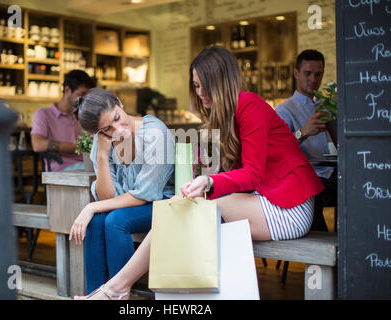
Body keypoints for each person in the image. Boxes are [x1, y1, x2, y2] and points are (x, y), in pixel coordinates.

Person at [73, 46, 324, 300]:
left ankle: (116, 289)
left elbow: (253, 174)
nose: (200, 93)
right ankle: (115, 289)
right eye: (196, 86)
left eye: (203, 85)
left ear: (220, 81)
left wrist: (209, 181)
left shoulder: (250, 105)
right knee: (179, 209)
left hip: (288, 207)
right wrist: (202, 174)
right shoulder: (227, 113)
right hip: (266, 200)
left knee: (180, 212)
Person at [69, 88, 175, 297]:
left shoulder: (154, 133)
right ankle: (97, 293)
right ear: (98, 132)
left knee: (115, 220)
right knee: (97, 220)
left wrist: (91, 206)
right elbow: (108, 198)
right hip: (129, 206)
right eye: (108, 128)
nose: (118, 129)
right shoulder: (103, 142)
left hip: (164, 202)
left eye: (117, 118)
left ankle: (120, 292)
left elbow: (147, 193)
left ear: (119, 102)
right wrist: (101, 155)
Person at [275, 50, 337, 231]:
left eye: (318, 74)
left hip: (333, 173)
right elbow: (278, 150)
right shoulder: (284, 110)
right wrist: (304, 132)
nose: (313, 79)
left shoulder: (326, 106)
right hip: (308, 178)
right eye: (307, 73)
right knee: (311, 193)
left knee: (357, 189)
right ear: (296, 74)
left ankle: (348, 246)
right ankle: (320, 253)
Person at [31, 70, 97, 171]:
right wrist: (77, 147)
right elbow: (37, 144)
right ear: (67, 90)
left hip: (86, 166)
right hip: (62, 170)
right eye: (82, 94)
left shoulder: (83, 116)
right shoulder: (44, 114)